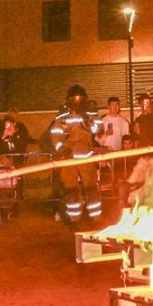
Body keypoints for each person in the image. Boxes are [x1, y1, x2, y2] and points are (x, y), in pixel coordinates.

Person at [46, 84, 103, 223]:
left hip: (86, 157)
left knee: (91, 187)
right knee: (71, 189)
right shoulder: (62, 117)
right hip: (68, 158)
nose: (78, 102)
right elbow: (55, 135)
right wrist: (61, 148)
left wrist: (89, 118)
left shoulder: (89, 115)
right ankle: (74, 216)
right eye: (75, 99)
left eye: (80, 99)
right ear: (69, 100)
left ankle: (96, 216)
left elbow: (98, 129)